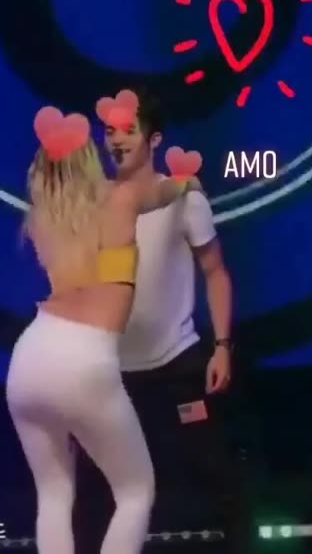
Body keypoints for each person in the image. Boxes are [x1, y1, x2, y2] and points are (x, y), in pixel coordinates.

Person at [6, 106, 201, 554]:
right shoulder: (120, 198)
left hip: (30, 356)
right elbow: (165, 191)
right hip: (83, 357)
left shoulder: (41, 218)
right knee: (135, 492)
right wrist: (190, 181)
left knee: (54, 495)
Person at [74, 88, 249, 554]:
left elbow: (216, 272)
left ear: (154, 140)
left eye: (128, 131)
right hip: (111, 371)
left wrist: (222, 347)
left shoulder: (184, 198)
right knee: (92, 495)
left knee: (217, 478)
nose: (116, 140)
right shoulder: (92, 202)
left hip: (177, 363)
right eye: (109, 131)